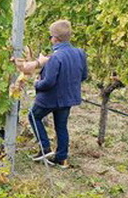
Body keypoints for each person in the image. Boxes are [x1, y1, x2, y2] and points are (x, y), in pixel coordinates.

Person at [28, 20, 87, 168]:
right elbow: (84, 76)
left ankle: (44, 148)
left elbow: (48, 83)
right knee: (61, 126)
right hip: (68, 98)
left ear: (55, 38)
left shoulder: (55, 57)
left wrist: (36, 83)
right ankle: (61, 158)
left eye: (50, 36)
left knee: (33, 116)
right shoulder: (80, 53)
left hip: (50, 98)